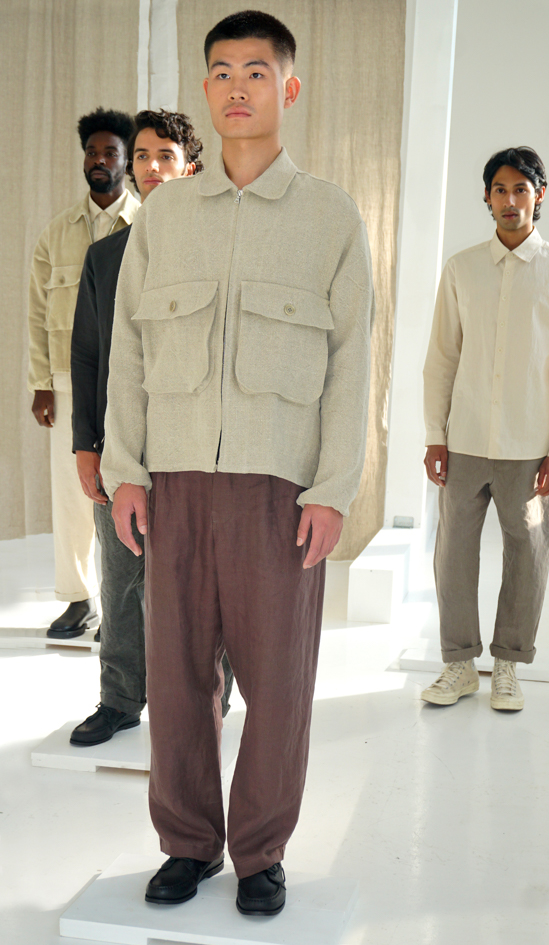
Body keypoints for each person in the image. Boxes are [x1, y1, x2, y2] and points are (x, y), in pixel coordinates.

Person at [101, 9, 374, 917]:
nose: (236, 88)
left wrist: (333, 490)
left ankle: (260, 850)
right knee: (177, 682)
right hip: (175, 482)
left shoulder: (330, 216)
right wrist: (126, 469)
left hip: (277, 490)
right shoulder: (166, 215)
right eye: (220, 72)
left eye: (255, 72)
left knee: (279, 686)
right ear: (205, 88)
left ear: (286, 87)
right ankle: (188, 843)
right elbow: (128, 352)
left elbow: (352, 366)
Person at [69, 109, 236, 747]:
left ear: (190, 167)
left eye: (166, 155)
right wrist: (86, 445)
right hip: (121, 446)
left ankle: (209, 696)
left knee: (200, 583)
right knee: (119, 580)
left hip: (194, 446)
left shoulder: (217, 249)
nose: (152, 168)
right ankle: (119, 699)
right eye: (142, 156)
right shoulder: (104, 256)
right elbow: (87, 356)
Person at [421, 146, 549, 711]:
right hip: (464, 440)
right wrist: (435, 434)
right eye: (500, 189)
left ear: (539, 195)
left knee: (528, 554)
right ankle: (459, 666)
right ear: (487, 197)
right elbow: (442, 358)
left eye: (521, 189)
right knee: (453, 555)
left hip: (531, 446)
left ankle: (509, 665)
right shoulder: (461, 269)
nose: (510, 199)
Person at [28, 107, 140, 639]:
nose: (99, 160)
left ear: (127, 161)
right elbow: (37, 312)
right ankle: (78, 599)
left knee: (122, 488)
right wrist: (41, 383)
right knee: (73, 494)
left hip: (127, 380)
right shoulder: (56, 234)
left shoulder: (145, 226)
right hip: (69, 381)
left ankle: (124, 608)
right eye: (92, 152)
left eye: (110, 152)